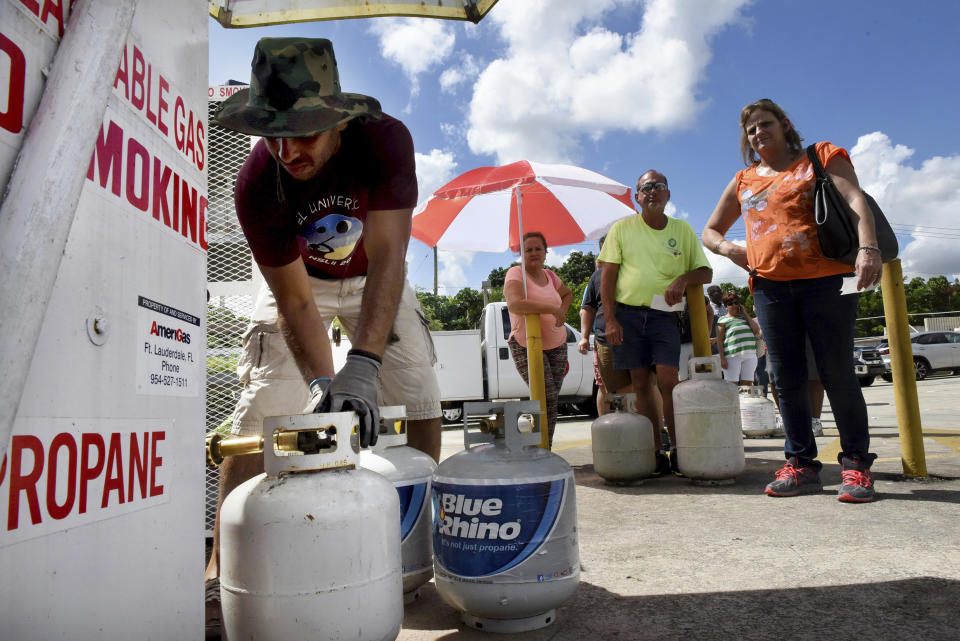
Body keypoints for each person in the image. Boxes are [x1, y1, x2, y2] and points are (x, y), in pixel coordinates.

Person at [205, 37, 442, 601]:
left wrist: (361, 364)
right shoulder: (256, 181)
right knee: (259, 410)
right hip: (303, 282)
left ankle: (417, 542)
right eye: (274, 136)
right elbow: (294, 301)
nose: (288, 153)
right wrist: (320, 380)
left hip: (371, 276)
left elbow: (390, 257)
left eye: (304, 133)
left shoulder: (385, 141)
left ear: (338, 122)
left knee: (419, 395)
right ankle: (218, 571)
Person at [703, 98, 881, 502]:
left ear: (784, 124)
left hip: (827, 281)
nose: (758, 133)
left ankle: (856, 466)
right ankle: (800, 464)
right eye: (750, 129)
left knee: (837, 371)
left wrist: (868, 249)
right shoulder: (744, 179)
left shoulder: (818, 157)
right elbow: (710, 231)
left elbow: (856, 201)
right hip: (769, 287)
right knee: (786, 378)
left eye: (765, 124)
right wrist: (732, 250)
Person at [599, 170, 712, 475]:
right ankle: (655, 451)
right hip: (628, 315)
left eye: (658, 186)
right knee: (639, 384)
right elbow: (606, 279)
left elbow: (705, 273)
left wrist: (683, 279)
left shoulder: (683, 230)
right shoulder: (621, 229)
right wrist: (610, 319)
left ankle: (679, 448)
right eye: (645, 188)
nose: (652, 191)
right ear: (637, 197)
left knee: (667, 378)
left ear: (668, 194)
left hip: (665, 316)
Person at [504, 232, 573, 445]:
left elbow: (567, 294)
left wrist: (561, 310)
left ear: (545, 251)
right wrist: (552, 308)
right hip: (526, 344)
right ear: (521, 253)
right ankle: (538, 449)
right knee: (546, 397)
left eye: (538, 249)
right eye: (528, 249)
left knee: (551, 402)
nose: (534, 253)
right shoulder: (515, 274)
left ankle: (544, 449)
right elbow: (515, 305)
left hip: (558, 344)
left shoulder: (551, 276)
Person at [579, 238, 633, 416]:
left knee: (647, 385)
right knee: (612, 388)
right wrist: (584, 337)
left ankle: (653, 431)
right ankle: (622, 430)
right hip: (606, 341)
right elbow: (587, 309)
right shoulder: (596, 277)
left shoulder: (638, 270)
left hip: (639, 337)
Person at [716, 292, 762, 386]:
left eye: (736, 302)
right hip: (732, 356)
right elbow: (719, 340)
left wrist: (745, 313)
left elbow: (756, 330)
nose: (734, 305)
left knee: (748, 385)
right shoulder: (722, 319)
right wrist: (722, 358)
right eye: (730, 303)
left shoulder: (745, 318)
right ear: (725, 306)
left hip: (750, 354)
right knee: (732, 386)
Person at [677, 293, 714, 382]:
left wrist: (708, 333)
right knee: (682, 378)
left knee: (703, 375)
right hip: (679, 344)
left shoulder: (699, 295)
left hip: (699, 343)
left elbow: (710, 312)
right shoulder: (673, 294)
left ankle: (702, 395)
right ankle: (686, 395)